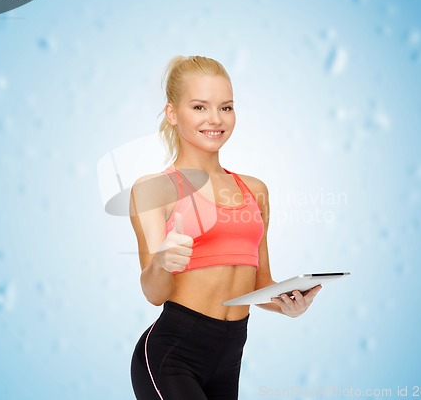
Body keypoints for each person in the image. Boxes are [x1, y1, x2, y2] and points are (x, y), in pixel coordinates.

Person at [129, 55, 322, 400]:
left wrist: (288, 303)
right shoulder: (154, 190)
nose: (215, 120)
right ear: (173, 114)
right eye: (200, 107)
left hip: (230, 357)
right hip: (172, 355)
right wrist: (161, 262)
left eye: (226, 107)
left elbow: (260, 284)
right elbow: (153, 292)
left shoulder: (255, 191)